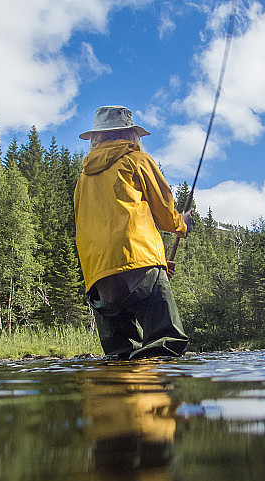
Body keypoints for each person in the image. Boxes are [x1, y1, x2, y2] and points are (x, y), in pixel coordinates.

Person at [74, 105, 193, 360]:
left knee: (118, 355)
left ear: (97, 137)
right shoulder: (138, 160)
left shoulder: (84, 177)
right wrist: (182, 224)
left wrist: (157, 263)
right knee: (165, 346)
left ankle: (119, 398)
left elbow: (83, 223)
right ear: (131, 135)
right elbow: (164, 213)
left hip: (97, 272)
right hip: (139, 260)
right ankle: (162, 399)